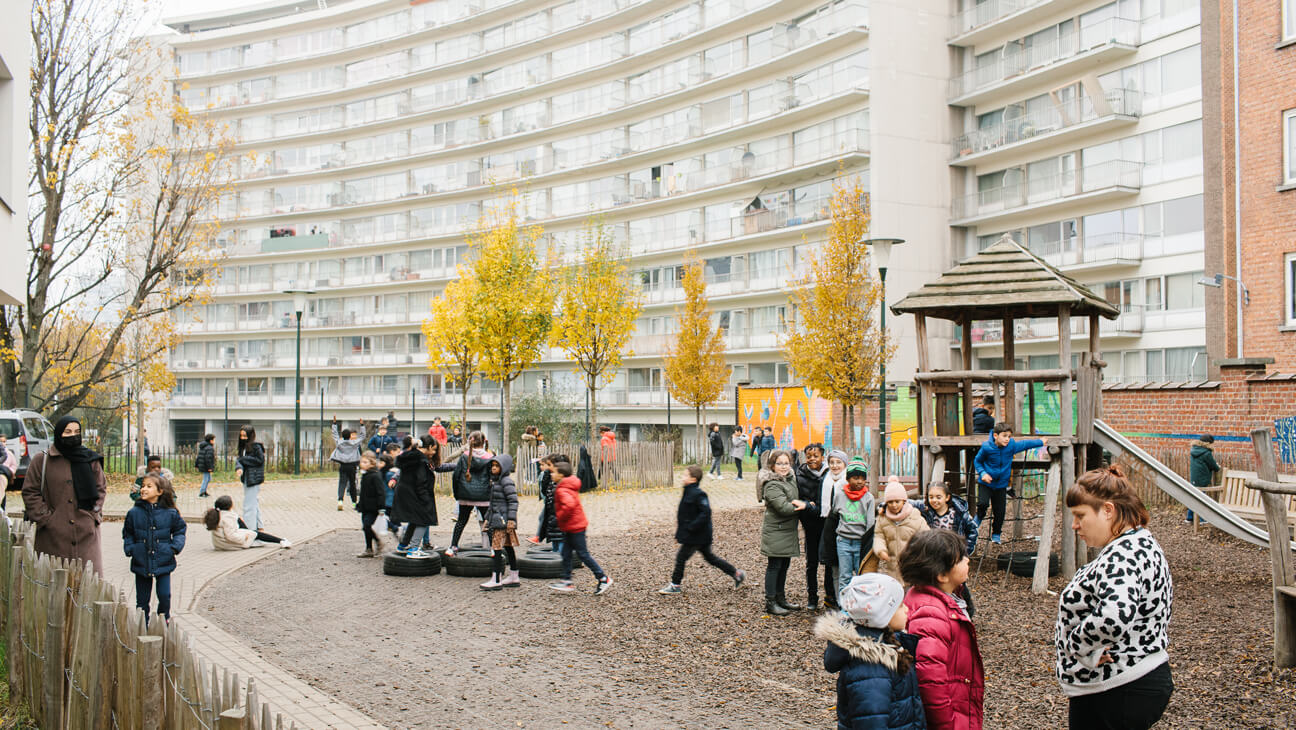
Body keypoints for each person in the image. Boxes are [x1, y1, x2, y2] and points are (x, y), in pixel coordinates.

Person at [1057, 465, 1173, 730]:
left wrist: (1077, 643)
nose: (1074, 525)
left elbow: (1113, 616)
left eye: (1080, 515)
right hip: (1131, 682)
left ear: (1108, 510)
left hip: (1116, 689)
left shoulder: (1123, 555)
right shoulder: (1141, 543)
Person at [816, 573, 926, 730]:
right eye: (900, 606)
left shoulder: (889, 647)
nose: (907, 609)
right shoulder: (871, 670)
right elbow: (871, 720)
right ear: (882, 614)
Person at [900, 529, 984, 730]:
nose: (968, 560)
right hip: (947, 718)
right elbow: (930, 681)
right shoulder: (931, 614)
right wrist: (948, 724)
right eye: (961, 558)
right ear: (942, 575)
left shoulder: (943, 601)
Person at [22, 416, 107, 576]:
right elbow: (30, 491)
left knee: (87, 586)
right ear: (59, 433)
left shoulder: (90, 459)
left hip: (86, 535)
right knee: (53, 587)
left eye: (76, 432)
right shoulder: (43, 460)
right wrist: (46, 519)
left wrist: (93, 515)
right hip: (53, 537)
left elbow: (100, 488)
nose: (73, 435)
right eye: (68, 432)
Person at [658, 465, 744, 594]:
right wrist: (680, 534)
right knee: (710, 558)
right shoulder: (688, 491)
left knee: (681, 558)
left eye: (685, 475)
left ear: (693, 479)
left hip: (697, 535)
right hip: (695, 535)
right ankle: (737, 574)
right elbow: (684, 516)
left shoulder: (698, 494)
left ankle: (675, 585)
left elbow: (705, 513)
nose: (682, 477)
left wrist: (692, 527)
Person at [123, 474, 186, 623]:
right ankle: (142, 625)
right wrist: (131, 548)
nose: (144, 489)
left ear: (160, 491)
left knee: (164, 595)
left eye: (149, 486)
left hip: (163, 559)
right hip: (141, 560)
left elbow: (180, 531)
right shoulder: (134, 513)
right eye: (143, 486)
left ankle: (163, 620)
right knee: (142, 599)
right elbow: (128, 533)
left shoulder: (170, 513)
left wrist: (174, 548)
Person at [973, 423, 1046, 544]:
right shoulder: (987, 447)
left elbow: (1024, 444)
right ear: (995, 435)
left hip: (1001, 485)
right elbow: (978, 461)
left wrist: (1040, 442)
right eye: (1004, 436)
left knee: (1000, 511)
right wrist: (982, 473)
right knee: (982, 503)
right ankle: (978, 518)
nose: (1007, 439)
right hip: (986, 483)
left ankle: (996, 533)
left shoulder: (1010, 446)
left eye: (1009, 436)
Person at [549, 459, 613, 594]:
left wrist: (559, 517)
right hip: (571, 526)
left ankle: (603, 578)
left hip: (575, 527)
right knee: (565, 553)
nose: (551, 475)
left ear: (561, 475)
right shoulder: (567, 485)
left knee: (583, 554)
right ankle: (567, 581)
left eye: (553, 472)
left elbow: (569, 505)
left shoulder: (562, 490)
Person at [760, 450, 807, 616]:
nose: (783, 467)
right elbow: (783, 507)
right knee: (775, 566)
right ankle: (770, 601)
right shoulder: (772, 484)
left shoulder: (790, 480)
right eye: (779, 463)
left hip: (786, 531)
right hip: (776, 531)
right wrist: (802, 506)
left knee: (784, 565)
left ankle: (781, 598)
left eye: (786, 463)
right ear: (772, 466)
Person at [832, 457, 876, 597]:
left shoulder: (868, 498)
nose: (859, 482)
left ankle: (860, 605)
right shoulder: (840, 495)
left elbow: (870, 523)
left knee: (861, 575)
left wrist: (868, 544)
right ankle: (844, 606)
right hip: (843, 541)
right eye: (855, 478)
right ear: (848, 479)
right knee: (844, 575)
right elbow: (834, 513)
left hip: (860, 542)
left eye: (862, 478)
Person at [796, 443, 832, 609]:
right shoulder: (800, 475)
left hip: (827, 525)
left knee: (829, 562)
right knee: (812, 563)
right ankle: (812, 596)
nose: (812, 459)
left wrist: (812, 504)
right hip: (810, 525)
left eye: (815, 456)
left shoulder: (829, 475)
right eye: (809, 456)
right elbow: (799, 499)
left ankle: (829, 595)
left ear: (822, 457)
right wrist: (807, 506)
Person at [392, 436, 441, 557]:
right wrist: (426, 501)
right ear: (428, 447)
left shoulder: (410, 456)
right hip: (414, 493)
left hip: (404, 492)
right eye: (433, 449)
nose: (434, 452)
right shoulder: (421, 461)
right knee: (424, 519)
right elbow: (421, 482)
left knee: (414, 519)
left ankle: (403, 546)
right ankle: (414, 549)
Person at [446, 431, 493, 556]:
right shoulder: (489, 457)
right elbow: (492, 477)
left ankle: (453, 546)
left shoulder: (464, 456)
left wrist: (457, 494)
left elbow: (456, 475)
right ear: (484, 442)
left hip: (465, 495)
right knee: (488, 521)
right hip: (484, 496)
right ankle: (494, 548)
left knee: (461, 521)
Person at [875, 478, 930, 582]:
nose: (894, 505)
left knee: (911, 592)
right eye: (890, 502)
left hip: (912, 563)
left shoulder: (914, 515)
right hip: (893, 566)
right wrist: (880, 549)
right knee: (896, 592)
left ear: (904, 501)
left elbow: (926, 535)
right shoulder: (883, 518)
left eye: (897, 501)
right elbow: (879, 536)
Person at [479, 455, 521, 591]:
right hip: (497, 519)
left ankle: (496, 579)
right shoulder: (495, 482)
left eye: (497, 466)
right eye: (492, 466)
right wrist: (487, 519)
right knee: (508, 546)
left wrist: (511, 520)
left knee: (496, 548)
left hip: (503, 521)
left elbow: (513, 501)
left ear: (504, 467)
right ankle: (514, 576)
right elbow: (492, 504)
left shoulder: (506, 482)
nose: (493, 468)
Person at [818, 449, 850, 605]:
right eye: (832, 462)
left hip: (843, 523)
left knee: (843, 561)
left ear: (844, 464)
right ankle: (830, 595)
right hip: (828, 523)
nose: (835, 466)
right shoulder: (826, 479)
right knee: (830, 560)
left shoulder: (847, 481)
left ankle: (844, 597)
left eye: (838, 462)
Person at [915, 483, 978, 557]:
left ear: (947, 497)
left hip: (952, 553)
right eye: (931, 497)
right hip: (933, 554)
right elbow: (907, 502)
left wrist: (965, 551)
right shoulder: (927, 511)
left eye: (938, 497)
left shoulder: (958, 513)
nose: (934, 500)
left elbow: (972, 530)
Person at [203, 495, 291, 549]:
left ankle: (256, 538)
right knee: (256, 534)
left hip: (220, 544)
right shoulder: (227, 518)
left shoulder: (218, 514)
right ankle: (281, 541)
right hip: (228, 544)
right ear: (230, 506)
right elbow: (230, 536)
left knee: (240, 521)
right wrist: (245, 537)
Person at [530, 453, 565, 553]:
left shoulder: (563, 481)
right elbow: (545, 491)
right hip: (552, 517)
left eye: (549, 465)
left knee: (561, 544)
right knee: (555, 542)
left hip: (560, 519)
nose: (547, 468)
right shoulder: (551, 479)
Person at [356, 451, 387, 558]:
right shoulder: (365, 474)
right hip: (365, 506)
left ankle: (378, 542)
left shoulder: (375, 475)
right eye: (361, 462)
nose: (362, 464)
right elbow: (364, 492)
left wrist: (381, 507)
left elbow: (381, 492)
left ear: (372, 463)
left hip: (373, 507)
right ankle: (369, 548)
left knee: (367, 525)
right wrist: (359, 504)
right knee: (365, 527)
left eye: (365, 462)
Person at [235, 426, 266, 530]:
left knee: (249, 505)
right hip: (247, 478)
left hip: (253, 479)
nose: (243, 438)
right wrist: (240, 466)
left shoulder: (255, 447)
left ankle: (250, 530)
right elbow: (239, 461)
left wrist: (243, 460)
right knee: (253, 503)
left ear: (250, 435)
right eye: (241, 435)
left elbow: (259, 460)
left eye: (245, 435)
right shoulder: (243, 447)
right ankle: (259, 527)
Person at [1186, 434, 1221, 523]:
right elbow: (1213, 466)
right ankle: (1202, 519)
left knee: (1194, 497)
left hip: (1194, 478)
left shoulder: (1193, 450)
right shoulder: (1206, 453)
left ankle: (1190, 517)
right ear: (1208, 443)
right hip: (1202, 479)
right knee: (1202, 498)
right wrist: (1217, 466)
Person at [330, 417, 363, 511]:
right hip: (352, 466)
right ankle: (354, 503)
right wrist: (362, 425)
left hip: (343, 465)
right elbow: (363, 435)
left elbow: (335, 434)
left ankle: (340, 500)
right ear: (350, 436)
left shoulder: (339, 443)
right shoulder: (355, 443)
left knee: (342, 483)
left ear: (343, 436)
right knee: (352, 484)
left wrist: (334, 423)